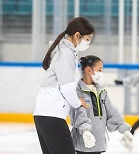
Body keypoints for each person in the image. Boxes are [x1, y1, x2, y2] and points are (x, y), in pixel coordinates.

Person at [33, 17, 95, 154]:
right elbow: (66, 87)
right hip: (52, 115)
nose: (88, 43)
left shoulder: (64, 51)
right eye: (87, 39)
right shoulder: (65, 53)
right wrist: (77, 103)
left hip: (45, 114)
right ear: (77, 35)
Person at [70, 55, 133, 154]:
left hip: (99, 143)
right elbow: (79, 113)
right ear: (88, 70)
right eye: (99, 70)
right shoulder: (78, 90)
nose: (101, 73)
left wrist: (123, 129)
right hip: (84, 142)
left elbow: (112, 111)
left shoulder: (101, 90)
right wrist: (85, 131)